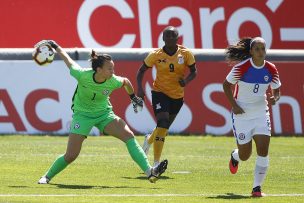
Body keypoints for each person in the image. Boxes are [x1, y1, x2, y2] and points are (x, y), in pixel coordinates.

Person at [36, 40, 168, 184]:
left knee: (129, 135)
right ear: (98, 69)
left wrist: (133, 98)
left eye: (113, 68)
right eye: (110, 69)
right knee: (71, 155)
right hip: (82, 116)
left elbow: (126, 82)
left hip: (104, 114)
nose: (113, 72)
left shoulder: (113, 81)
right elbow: (68, 60)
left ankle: (150, 172)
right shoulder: (82, 75)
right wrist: (56, 46)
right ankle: (47, 176)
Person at [223, 37, 281, 197]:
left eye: (263, 49)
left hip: (261, 113)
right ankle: (235, 156)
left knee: (263, 150)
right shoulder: (241, 68)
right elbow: (226, 85)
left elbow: (277, 89)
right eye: (257, 49)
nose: (261, 52)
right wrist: (234, 105)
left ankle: (257, 188)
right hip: (242, 114)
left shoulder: (271, 69)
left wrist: (274, 98)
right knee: (245, 155)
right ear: (251, 52)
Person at [136, 26, 197, 167]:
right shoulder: (155, 55)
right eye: (167, 36)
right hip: (159, 92)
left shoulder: (186, 53)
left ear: (177, 38)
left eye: (173, 36)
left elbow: (194, 71)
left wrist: (186, 81)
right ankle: (156, 163)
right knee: (162, 124)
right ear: (163, 38)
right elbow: (141, 71)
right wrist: (140, 88)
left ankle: (149, 139)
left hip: (177, 95)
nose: (170, 38)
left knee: (164, 128)